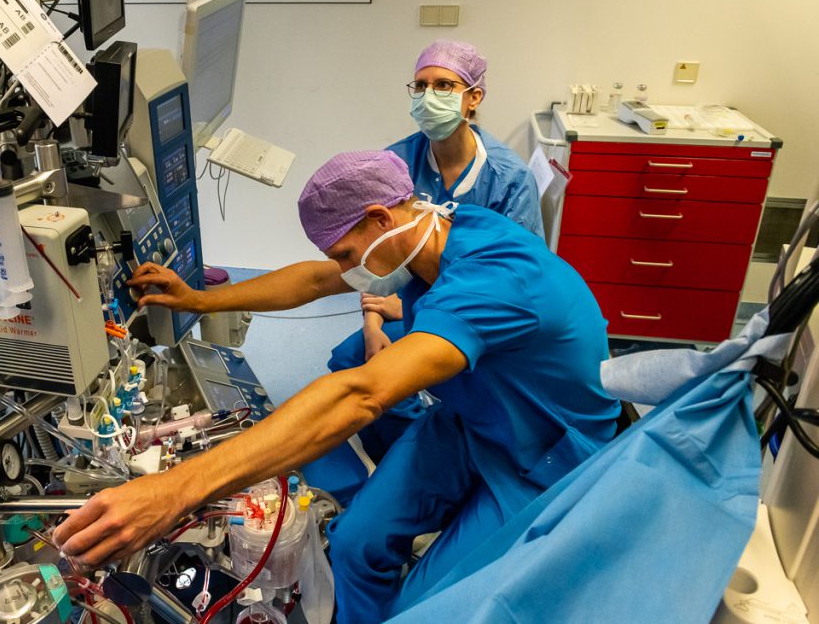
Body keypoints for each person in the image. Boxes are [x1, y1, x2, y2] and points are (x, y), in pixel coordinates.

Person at [54, 150, 619, 624]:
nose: (344, 271)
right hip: (475, 420)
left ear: (379, 218)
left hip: (545, 457)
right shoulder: (438, 230)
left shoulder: (493, 280)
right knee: (355, 544)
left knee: (432, 607)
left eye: (347, 253)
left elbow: (362, 396)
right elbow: (316, 278)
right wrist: (200, 298)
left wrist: (178, 489)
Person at [331, 40, 544, 460]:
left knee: (425, 375)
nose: (430, 97)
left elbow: (516, 281)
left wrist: (413, 310)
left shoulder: (507, 180)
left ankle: (441, 456)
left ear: (473, 98)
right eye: (421, 85)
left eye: (445, 85)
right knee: (353, 359)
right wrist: (374, 321)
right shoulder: (394, 164)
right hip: (407, 305)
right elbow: (372, 254)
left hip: (474, 317)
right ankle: (407, 456)